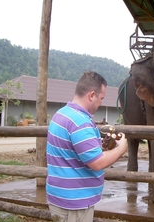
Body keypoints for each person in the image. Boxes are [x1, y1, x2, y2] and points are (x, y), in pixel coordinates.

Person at [46, 71, 127, 222]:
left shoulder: (61, 114)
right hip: (74, 205)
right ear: (91, 95)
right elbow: (98, 163)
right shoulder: (80, 122)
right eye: (101, 98)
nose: (101, 103)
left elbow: (76, 152)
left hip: (60, 197)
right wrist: (121, 148)